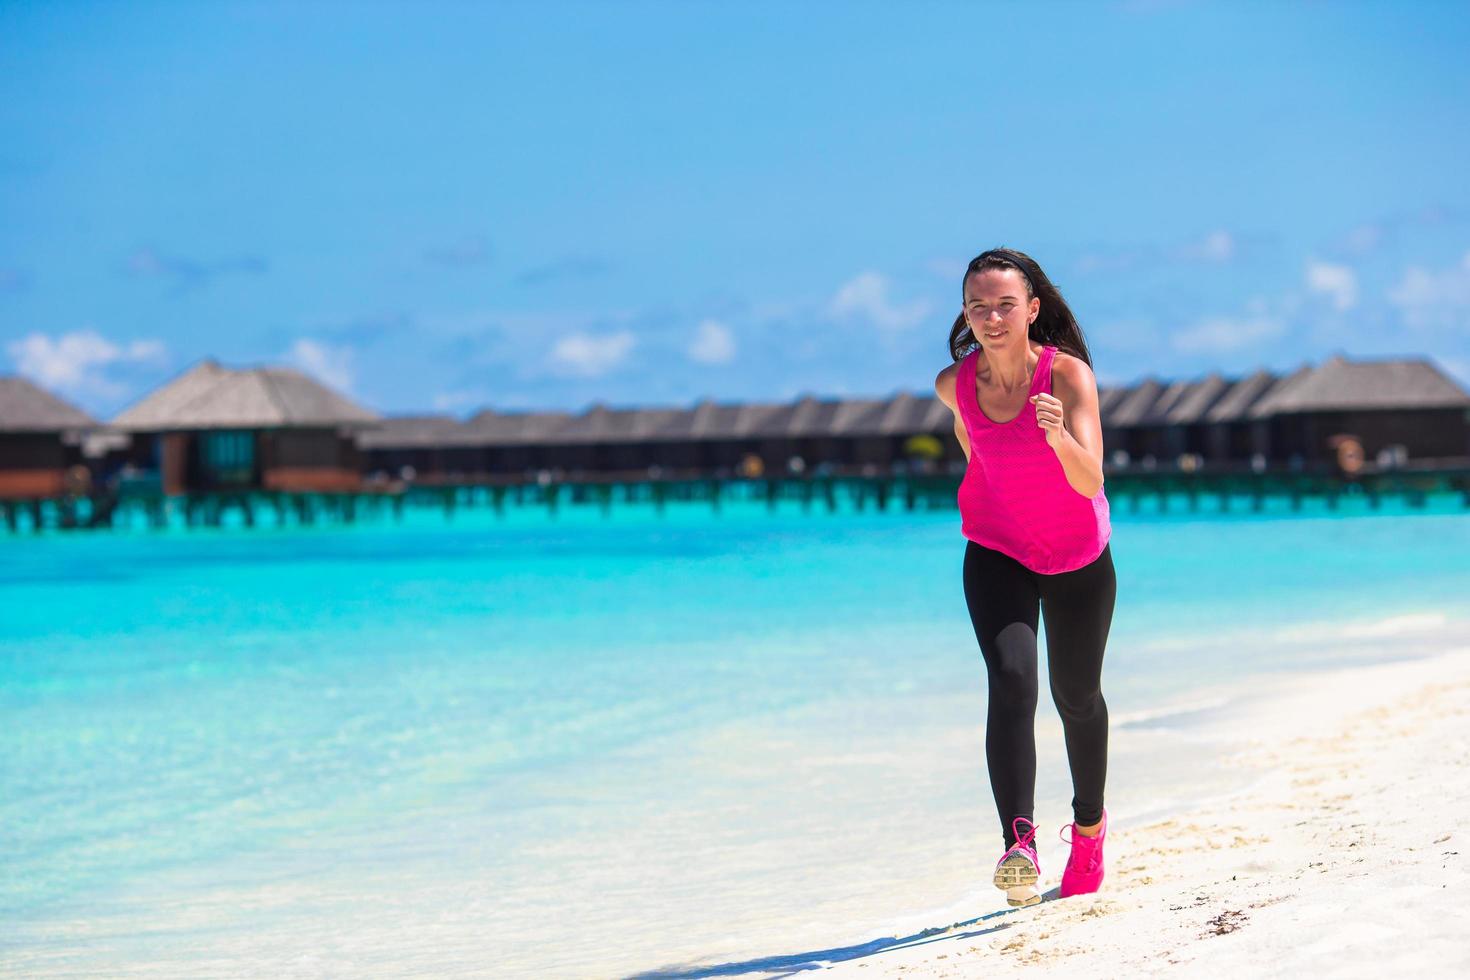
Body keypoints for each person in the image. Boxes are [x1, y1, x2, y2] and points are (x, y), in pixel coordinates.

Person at [933, 247, 1115, 908]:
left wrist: (1059, 436)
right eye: (978, 306)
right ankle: (1020, 844)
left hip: (1076, 556)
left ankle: (1089, 831)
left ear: (1032, 309)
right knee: (1011, 681)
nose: (991, 317)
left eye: (1005, 304)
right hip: (996, 549)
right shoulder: (954, 385)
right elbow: (977, 455)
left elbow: (1091, 478)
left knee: (1076, 695)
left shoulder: (1068, 377)